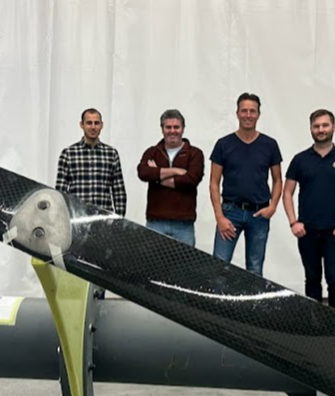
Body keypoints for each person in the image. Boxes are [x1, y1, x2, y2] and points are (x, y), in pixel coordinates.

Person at [281, 109, 335, 309]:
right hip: (307, 231)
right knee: (312, 279)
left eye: (325, 125)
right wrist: (293, 222)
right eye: (316, 126)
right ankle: (314, 324)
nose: (321, 129)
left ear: (333, 127)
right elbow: (287, 193)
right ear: (311, 129)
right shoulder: (300, 160)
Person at [208, 93, 283, 276]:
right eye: (244, 111)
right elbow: (214, 182)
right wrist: (219, 217)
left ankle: (252, 299)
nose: (248, 115)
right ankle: (218, 297)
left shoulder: (270, 145)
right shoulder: (223, 144)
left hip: (259, 214)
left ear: (258, 114)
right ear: (237, 113)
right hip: (230, 213)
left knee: (255, 270)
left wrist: (272, 206)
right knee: (219, 266)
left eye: (252, 111)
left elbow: (278, 179)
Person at [135, 109, 205, 246]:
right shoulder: (152, 152)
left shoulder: (194, 153)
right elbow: (143, 173)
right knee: (152, 260)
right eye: (168, 127)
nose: (172, 131)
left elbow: (191, 180)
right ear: (162, 129)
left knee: (184, 261)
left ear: (183, 129)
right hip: (156, 223)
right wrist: (176, 170)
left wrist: (157, 176)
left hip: (183, 225)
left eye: (176, 127)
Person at [55, 108, 127, 216]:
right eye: (89, 123)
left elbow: (119, 192)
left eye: (96, 123)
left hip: (104, 219)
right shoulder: (68, 154)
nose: (93, 127)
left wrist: (119, 220)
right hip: (77, 217)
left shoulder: (111, 154)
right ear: (81, 125)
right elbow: (60, 192)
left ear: (102, 125)